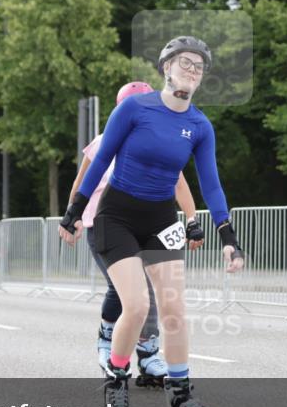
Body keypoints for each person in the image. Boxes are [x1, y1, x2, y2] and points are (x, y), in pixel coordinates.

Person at [59, 36, 245, 407]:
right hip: (118, 214)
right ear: (166, 68)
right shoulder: (134, 108)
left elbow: (209, 185)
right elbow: (101, 158)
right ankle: (117, 379)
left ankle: (181, 398)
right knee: (139, 305)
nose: (191, 70)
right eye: (184, 62)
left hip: (162, 218)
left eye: (198, 66)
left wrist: (225, 233)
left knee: (175, 308)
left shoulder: (199, 125)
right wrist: (75, 211)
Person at [66, 81, 204, 388]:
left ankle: (145, 352)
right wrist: (72, 215)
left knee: (153, 294)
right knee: (130, 293)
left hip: (149, 224)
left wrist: (192, 219)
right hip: (101, 223)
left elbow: (179, 184)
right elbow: (81, 180)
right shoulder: (103, 141)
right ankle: (114, 341)